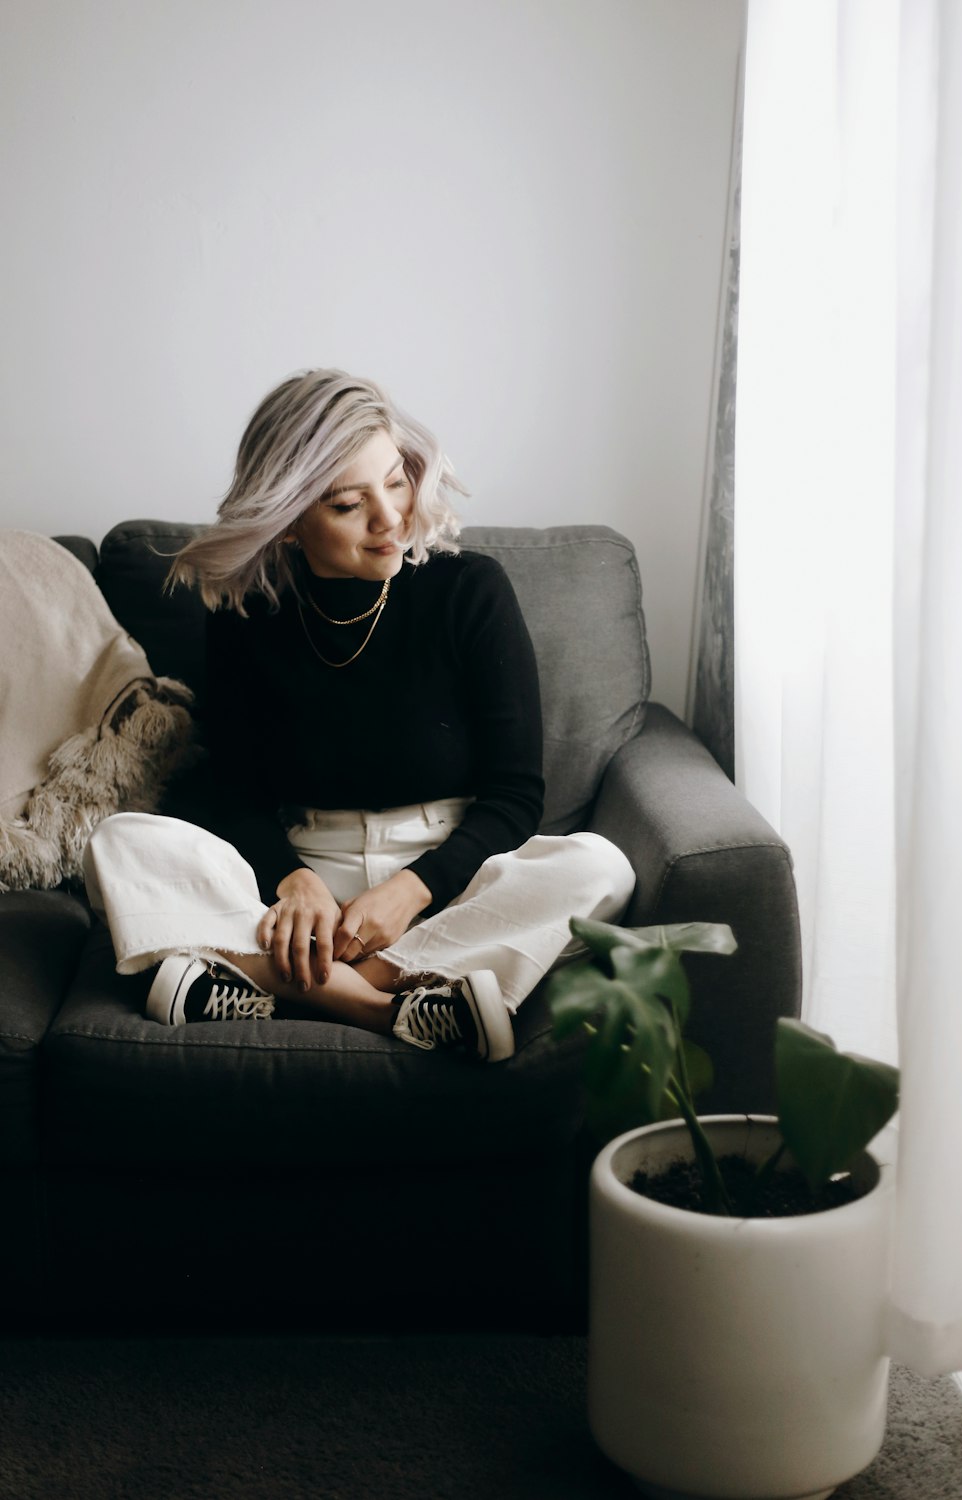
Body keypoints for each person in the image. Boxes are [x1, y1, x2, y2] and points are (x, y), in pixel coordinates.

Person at [83, 370, 635, 1061]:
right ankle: (389, 1008)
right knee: (118, 841)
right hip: (299, 889)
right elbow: (237, 790)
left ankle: (277, 988)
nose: (391, 518)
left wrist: (414, 890)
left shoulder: (470, 590)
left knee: (600, 866)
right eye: (349, 503)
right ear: (288, 523)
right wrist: (293, 880)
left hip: (446, 881)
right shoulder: (246, 617)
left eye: (395, 481)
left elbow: (515, 796)